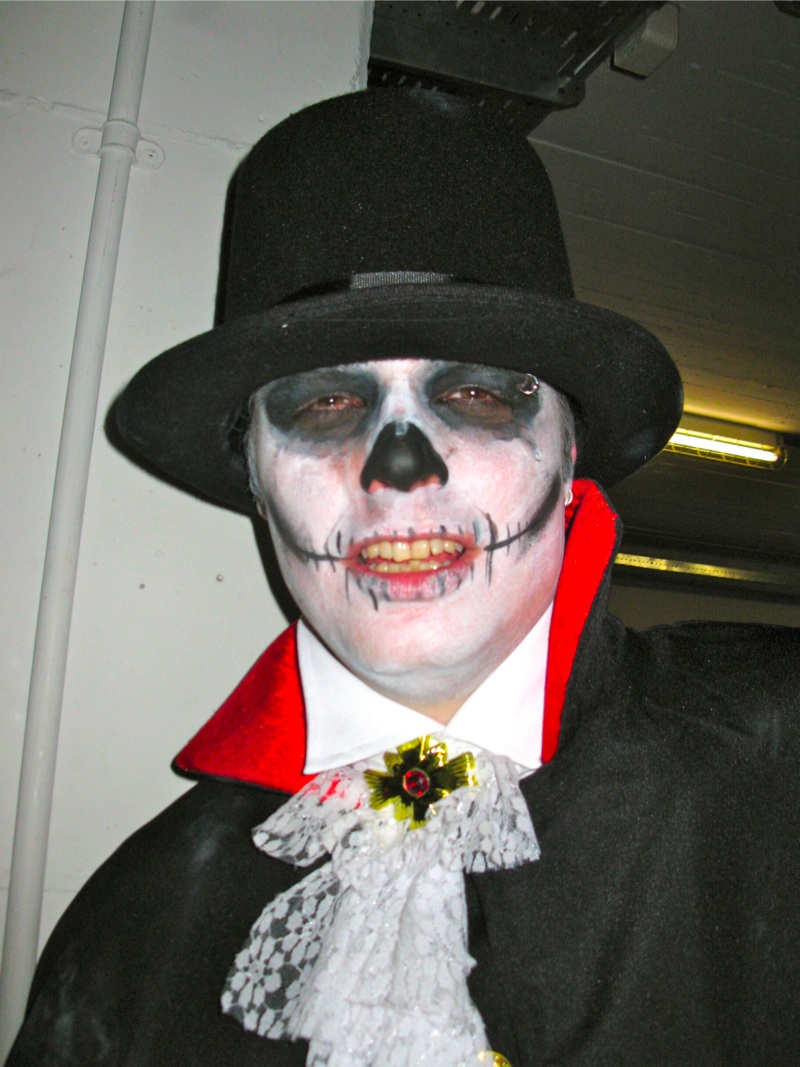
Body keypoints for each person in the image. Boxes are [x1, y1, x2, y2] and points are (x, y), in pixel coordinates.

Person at [8, 89, 800, 1067]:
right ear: (255, 478)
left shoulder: (777, 763)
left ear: (567, 457)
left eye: (473, 393)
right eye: (325, 403)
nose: (398, 468)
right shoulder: (131, 935)